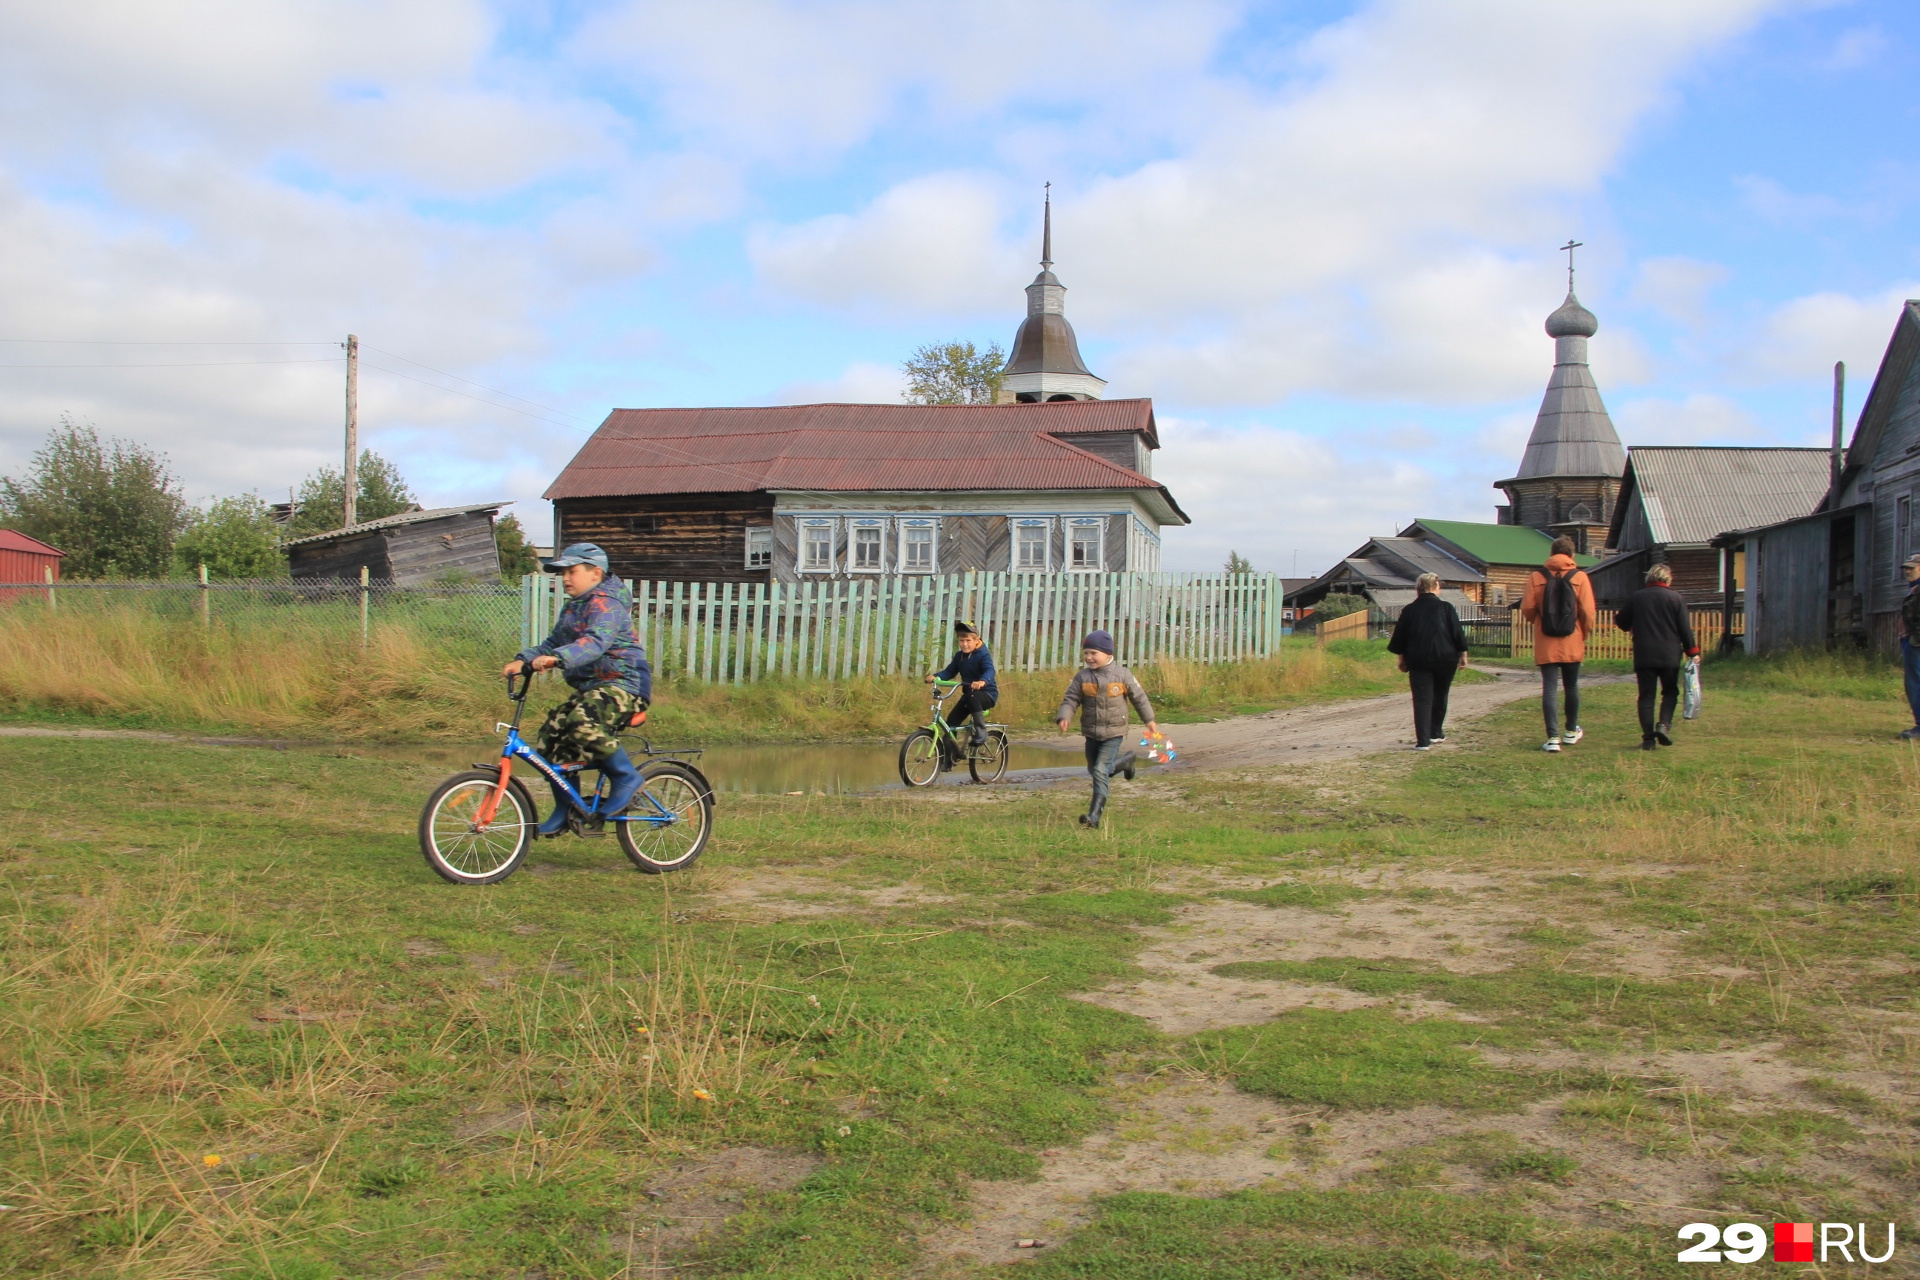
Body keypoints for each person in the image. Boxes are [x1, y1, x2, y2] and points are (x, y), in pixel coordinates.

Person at [503, 543, 653, 835]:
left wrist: (559, 659)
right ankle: (566, 807)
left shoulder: (607, 604)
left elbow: (596, 642)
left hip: (624, 683)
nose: (566, 578)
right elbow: (553, 642)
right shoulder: (574, 607)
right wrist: (523, 660)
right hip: (594, 687)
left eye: (572, 571)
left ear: (595, 573)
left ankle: (625, 778)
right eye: (563, 573)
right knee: (551, 735)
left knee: (582, 721)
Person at [1057, 630, 1159, 828]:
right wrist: (1064, 716)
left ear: (1108, 654)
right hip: (1091, 732)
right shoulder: (1082, 677)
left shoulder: (1122, 675)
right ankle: (1127, 762)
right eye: (1086, 653)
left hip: (1114, 732)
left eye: (1093, 653)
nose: (1089, 657)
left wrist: (1149, 719)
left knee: (1100, 770)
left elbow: (1139, 698)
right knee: (1095, 769)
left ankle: (1094, 817)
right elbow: (1071, 699)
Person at [1520, 535, 1597, 753]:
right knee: (1571, 686)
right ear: (1571, 555)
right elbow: (1588, 611)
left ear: (1551, 554)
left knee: (1550, 688)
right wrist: (1584, 632)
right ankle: (1571, 731)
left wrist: (1538, 620)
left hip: (1546, 638)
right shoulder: (1580, 577)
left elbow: (1527, 607)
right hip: (1572, 638)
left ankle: (1553, 737)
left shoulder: (1537, 576)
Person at [1615, 562, 1699, 751]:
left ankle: (1648, 739)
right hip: (1669, 654)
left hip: (1644, 654)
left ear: (1649, 578)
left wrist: (1633, 625)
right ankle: (1663, 725)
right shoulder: (1676, 599)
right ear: (1667, 578)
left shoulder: (1637, 597)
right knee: (1670, 692)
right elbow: (1685, 629)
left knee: (1646, 696)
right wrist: (1692, 652)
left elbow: (1621, 621)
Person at [1386, 572, 1470, 750]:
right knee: (1441, 694)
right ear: (1434, 588)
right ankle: (1436, 733)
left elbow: (1400, 638)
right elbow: (1457, 633)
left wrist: (1402, 659)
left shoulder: (1409, 610)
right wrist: (1463, 654)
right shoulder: (1446, 608)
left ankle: (1423, 741)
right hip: (1446, 658)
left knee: (1422, 699)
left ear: (1418, 590)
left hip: (1418, 659)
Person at [927, 620, 998, 768]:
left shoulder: (983, 655)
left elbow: (990, 670)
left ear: (977, 639)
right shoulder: (960, 656)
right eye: (961, 640)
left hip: (986, 695)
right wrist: (936, 677)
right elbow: (950, 671)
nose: (965, 644)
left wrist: (982, 681)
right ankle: (949, 759)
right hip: (969, 697)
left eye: (968, 640)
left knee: (972, 695)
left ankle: (981, 731)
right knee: (949, 725)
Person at [1900, 554, 1920, 741]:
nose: (1907, 571)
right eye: (1906, 568)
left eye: (1912, 567)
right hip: (1912, 642)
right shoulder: (1913, 589)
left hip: (1917, 643)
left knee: (1915, 683)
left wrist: (1914, 639)